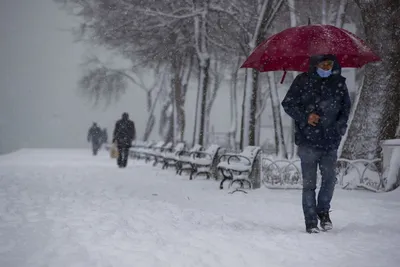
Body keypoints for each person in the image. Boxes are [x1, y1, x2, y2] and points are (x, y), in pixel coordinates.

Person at [281, 54, 351, 234]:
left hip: (330, 141)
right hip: (308, 140)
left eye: (330, 64)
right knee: (309, 184)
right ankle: (311, 221)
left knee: (329, 180)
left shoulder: (339, 83)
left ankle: (323, 212)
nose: (327, 68)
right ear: (315, 65)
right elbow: (288, 104)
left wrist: (339, 128)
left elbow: (345, 109)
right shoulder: (302, 81)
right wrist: (306, 116)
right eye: (323, 64)